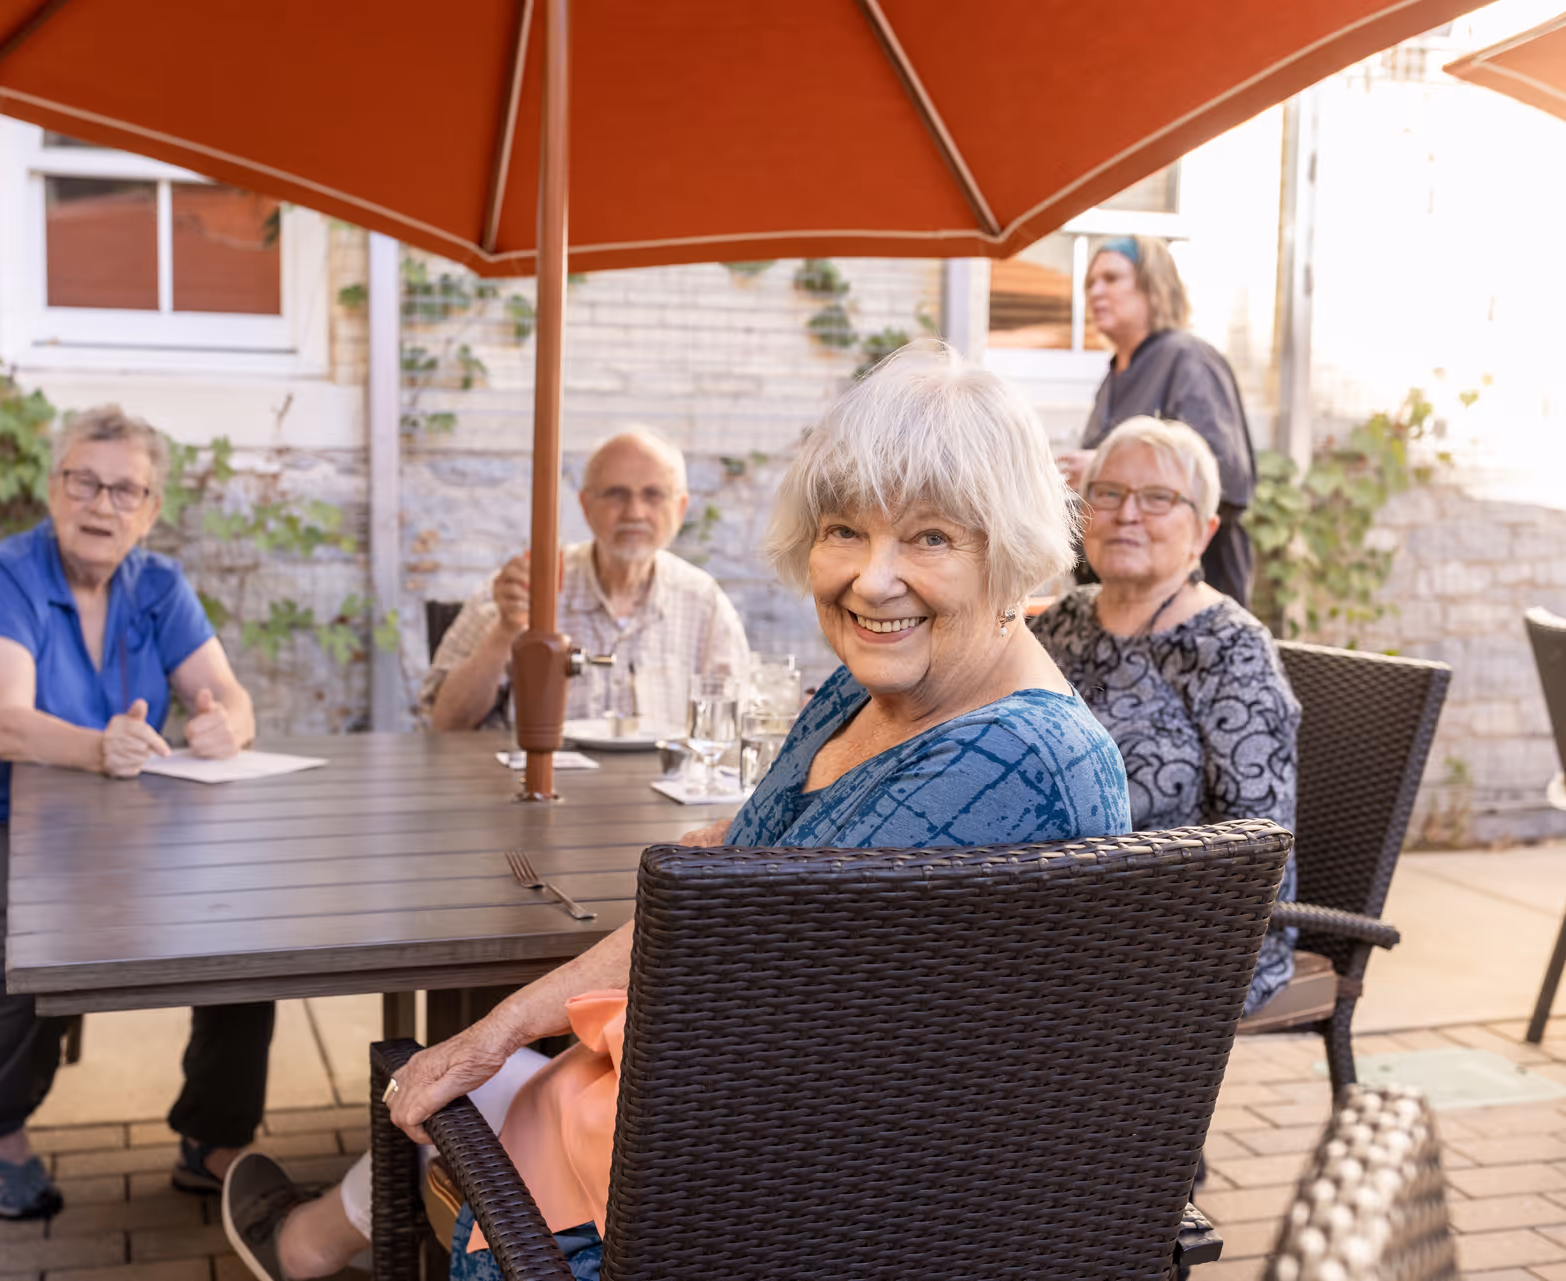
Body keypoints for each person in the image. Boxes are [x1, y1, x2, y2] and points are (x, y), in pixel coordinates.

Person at [219, 343, 1132, 1281]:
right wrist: (506, 1024)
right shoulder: (868, 695)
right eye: (845, 530)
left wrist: (715, 897)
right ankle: (315, 1238)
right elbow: (727, 912)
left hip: (772, 1210)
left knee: (476, 1096)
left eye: (932, 537)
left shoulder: (1006, 758)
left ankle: (309, 1242)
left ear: (1011, 550)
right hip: (747, 1146)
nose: (870, 578)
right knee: (484, 1072)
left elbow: (745, 998)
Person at [0, 406, 273, 1220]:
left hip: (115, 822)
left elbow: (234, 696)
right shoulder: (3, 573)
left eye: (126, 489)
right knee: (37, 930)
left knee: (246, 923)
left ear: (148, 510)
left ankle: (214, 1133)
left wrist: (226, 725)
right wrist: (97, 747)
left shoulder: (159, 583)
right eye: (85, 481)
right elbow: (5, 722)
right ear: (53, 489)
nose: (102, 504)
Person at [1033, 415, 1300, 1017]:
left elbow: (1257, 846)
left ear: (1202, 532)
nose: (1128, 515)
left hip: (1186, 933)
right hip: (1051, 909)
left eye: (1158, 499)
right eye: (1108, 493)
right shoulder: (1063, 621)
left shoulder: (1229, 648)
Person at [419, 428, 749, 733]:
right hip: (549, 790)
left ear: (680, 509)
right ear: (586, 505)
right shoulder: (531, 586)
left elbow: (735, 728)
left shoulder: (702, 600)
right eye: (616, 495)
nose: (634, 512)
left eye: (653, 495)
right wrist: (505, 631)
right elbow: (444, 724)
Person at [1055, 236, 1258, 607]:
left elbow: (1227, 475)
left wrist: (1102, 471)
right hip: (1118, 602)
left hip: (1189, 607)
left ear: (1153, 285)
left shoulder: (1189, 360)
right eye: (1090, 283)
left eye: (1112, 279)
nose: (1095, 292)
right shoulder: (1114, 375)